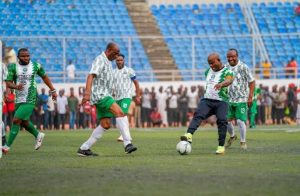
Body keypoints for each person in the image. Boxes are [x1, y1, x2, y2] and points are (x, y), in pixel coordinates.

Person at [77, 42, 137, 156]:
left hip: (105, 94)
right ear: (108, 50)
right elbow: (91, 75)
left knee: (106, 124)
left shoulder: (108, 62)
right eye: (115, 53)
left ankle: (84, 148)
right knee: (120, 112)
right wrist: (87, 93)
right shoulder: (100, 59)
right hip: (101, 95)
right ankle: (127, 144)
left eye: (118, 54)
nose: (116, 56)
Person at [2, 48, 57, 154]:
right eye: (23, 56)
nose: (26, 58)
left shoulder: (36, 66)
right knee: (23, 122)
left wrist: (53, 90)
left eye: (28, 56)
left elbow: (45, 77)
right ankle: (38, 135)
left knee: (16, 120)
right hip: (18, 99)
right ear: (18, 57)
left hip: (31, 98)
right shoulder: (13, 67)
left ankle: (7, 146)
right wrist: (12, 89)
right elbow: (9, 82)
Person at [180, 53, 234, 155]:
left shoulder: (228, 71)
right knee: (198, 115)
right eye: (209, 64)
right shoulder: (207, 71)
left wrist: (221, 84)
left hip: (221, 102)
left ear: (218, 60)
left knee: (222, 121)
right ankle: (189, 135)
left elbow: (229, 80)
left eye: (213, 63)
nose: (211, 66)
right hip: (207, 101)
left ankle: (221, 147)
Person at [225, 48, 255, 150]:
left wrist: (250, 97)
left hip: (241, 99)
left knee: (240, 121)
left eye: (232, 56)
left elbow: (251, 82)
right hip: (229, 99)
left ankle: (243, 142)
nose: (230, 59)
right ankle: (233, 136)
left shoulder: (243, 67)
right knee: (226, 121)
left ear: (237, 56)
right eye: (228, 57)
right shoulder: (225, 67)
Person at [113, 54, 141, 142]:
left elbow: (136, 83)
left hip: (127, 96)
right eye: (118, 60)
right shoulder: (113, 72)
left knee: (123, 114)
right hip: (117, 98)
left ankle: (123, 135)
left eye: (121, 60)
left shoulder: (129, 70)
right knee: (119, 116)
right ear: (115, 61)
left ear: (124, 61)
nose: (119, 62)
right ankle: (127, 135)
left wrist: (138, 95)